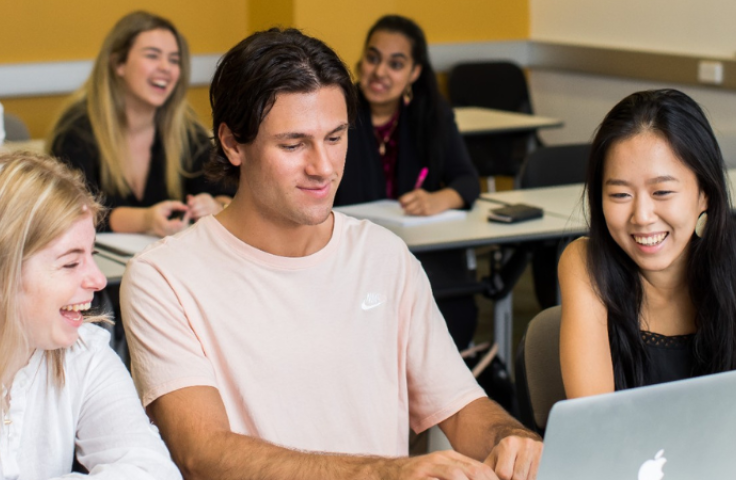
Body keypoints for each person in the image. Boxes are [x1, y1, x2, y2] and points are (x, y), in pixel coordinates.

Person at [121, 28, 542, 480]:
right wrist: (385, 473)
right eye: (293, 144)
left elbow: (459, 407)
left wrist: (510, 441)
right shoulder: (163, 278)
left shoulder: (385, 257)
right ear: (231, 144)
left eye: (336, 137)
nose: (323, 167)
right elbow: (203, 453)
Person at [0, 151, 181, 479]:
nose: (98, 280)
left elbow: (151, 470)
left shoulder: (83, 352)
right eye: (70, 262)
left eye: (90, 255)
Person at [558, 89, 736, 398]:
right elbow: (595, 420)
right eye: (620, 195)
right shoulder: (586, 264)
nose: (641, 216)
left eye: (662, 192)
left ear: (704, 192)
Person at [334, 15, 481, 349]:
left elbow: (467, 180)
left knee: (451, 314)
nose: (380, 72)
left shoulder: (431, 116)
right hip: (354, 256)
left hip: (420, 254)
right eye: (373, 58)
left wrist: (440, 198)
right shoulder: (338, 113)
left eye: (396, 64)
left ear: (414, 72)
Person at [49, 11, 232, 237]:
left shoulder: (187, 132)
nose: (166, 67)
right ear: (119, 64)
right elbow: (69, 212)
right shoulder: (77, 131)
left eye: (174, 60)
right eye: (152, 56)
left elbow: (231, 195)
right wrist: (144, 220)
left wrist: (216, 207)